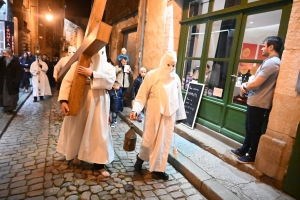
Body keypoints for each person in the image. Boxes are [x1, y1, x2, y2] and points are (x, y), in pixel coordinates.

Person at [56, 47, 115, 177]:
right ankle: (76, 154)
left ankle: (99, 163)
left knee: (98, 132)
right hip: (80, 100)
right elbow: (67, 81)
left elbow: (110, 81)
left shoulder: (108, 67)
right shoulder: (79, 64)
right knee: (78, 128)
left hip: (99, 103)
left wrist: (93, 74)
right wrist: (64, 101)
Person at [129, 50, 186, 180]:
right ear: (163, 62)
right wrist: (135, 110)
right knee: (148, 140)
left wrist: (179, 115)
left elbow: (178, 98)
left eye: (173, 65)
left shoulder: (176, 78)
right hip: (153, 114)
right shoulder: (152, 75)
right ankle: (140, 160)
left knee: (164, 143)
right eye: (168, 64)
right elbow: (142, 95)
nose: (171, 68)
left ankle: (158, 169)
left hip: (168, 117)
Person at [230, 36, 283, 164]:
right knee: (249, 127)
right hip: (255, 100)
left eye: (264, 46)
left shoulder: (272, 63)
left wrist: (244, 87)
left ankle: (251, 155)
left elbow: (255, 83)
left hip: (259, 102)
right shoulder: (270, 61)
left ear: (271, 47)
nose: (262, 49)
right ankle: (244, 150)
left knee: (254, 129)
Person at [0, 48, 23, 115]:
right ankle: (5, 107)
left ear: (9, 53)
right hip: (3, 81)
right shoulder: (2, 61)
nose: (4, 55)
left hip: (12, 82)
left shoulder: (15, 61)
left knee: (11, 96)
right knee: (3, 95)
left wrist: (17, 81)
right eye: (3, 53)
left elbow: (18, 72)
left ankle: (10, 109)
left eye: (5, 53)